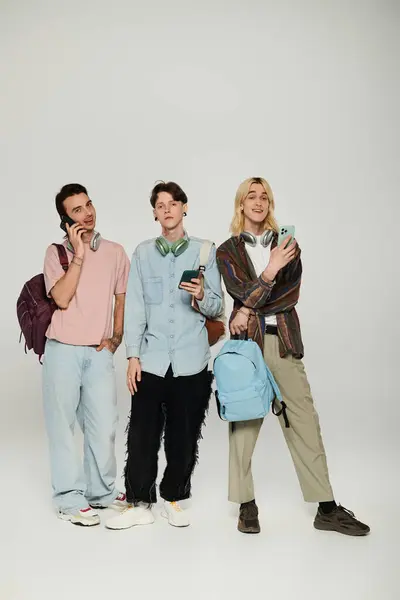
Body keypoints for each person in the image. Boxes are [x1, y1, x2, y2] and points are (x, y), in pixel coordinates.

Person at [216, 177, 370, 536]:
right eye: (251, 196)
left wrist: (246, 307)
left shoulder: (289, 245)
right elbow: (237, 288)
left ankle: (326, 507)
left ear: (270, 205)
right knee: (243, 424)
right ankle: (246, 504)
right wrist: (268, 272)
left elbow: (288, 297)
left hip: (283, 343)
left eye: (264, 196)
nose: (258, 201)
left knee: (304, 422)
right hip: (247, 349)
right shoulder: (226, 251)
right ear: (241, 205)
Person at [106, 181, 223, 530]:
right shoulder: (142, 253)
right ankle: (139, 501)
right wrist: (131, 355)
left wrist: (202, 292)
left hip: (192, 360)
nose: (168, 209)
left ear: (184, 208)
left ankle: (173, 497)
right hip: (152, 358)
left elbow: (218, 306)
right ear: (155, 212)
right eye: (161, 204)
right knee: (141, 431)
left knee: (183, 434)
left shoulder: (205, 251)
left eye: (174, 203)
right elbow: (137, 308)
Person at [42, 183, 130, 526]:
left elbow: (120, 297)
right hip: (62, 350)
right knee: (62, 426)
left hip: (97, 353)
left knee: (104, 424)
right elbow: (61, 299)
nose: (87, 212)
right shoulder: (55, 254)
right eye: (77, 210)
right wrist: (78, 253)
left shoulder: (115, 252)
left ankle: (103, 492)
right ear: (66, 220)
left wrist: (116, 336)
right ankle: (68, 498)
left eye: (88, 204)